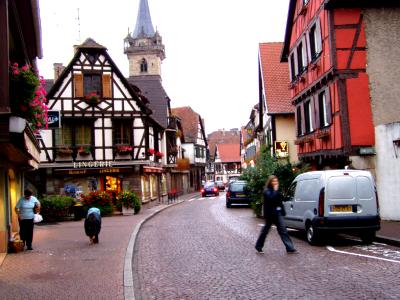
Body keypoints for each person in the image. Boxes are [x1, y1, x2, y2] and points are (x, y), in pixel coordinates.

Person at [255, 175, 297, 254]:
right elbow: (271, 199)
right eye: (273, 181)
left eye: (276, 181)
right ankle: (258, 246)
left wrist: (282, 211)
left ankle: (290, 248)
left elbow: (279, 202)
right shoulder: (267, 191)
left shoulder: (276, 191)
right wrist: (275, 190)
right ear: (270, 182)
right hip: (270, 215)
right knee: (265, 231)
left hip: (277, 214)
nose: (275, 183)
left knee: (283, 230)